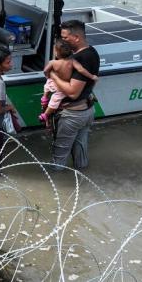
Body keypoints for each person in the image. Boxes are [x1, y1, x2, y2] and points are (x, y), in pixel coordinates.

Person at [47, 20, 100, 170]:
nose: (62, 41)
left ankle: (58, 186)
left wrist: (53, 76)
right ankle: (82, 184)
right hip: (87, 111)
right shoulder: (92, 52)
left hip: (73, 115)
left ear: (76, 37)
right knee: (80, 152)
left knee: (59, 155)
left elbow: (73, 92)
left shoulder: (81, 59)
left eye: (65, 38)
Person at [39, 40, 99, 128]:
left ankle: (44, 98)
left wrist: (48, 76)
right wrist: (92, 77)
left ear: (56, 53)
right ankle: (45, 114)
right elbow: (81, 70)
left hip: (53, 83)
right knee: (55, 100)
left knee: (46, 87)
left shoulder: (53, 62)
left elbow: (45, 71)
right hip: (61, 86)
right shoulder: (72, 62)